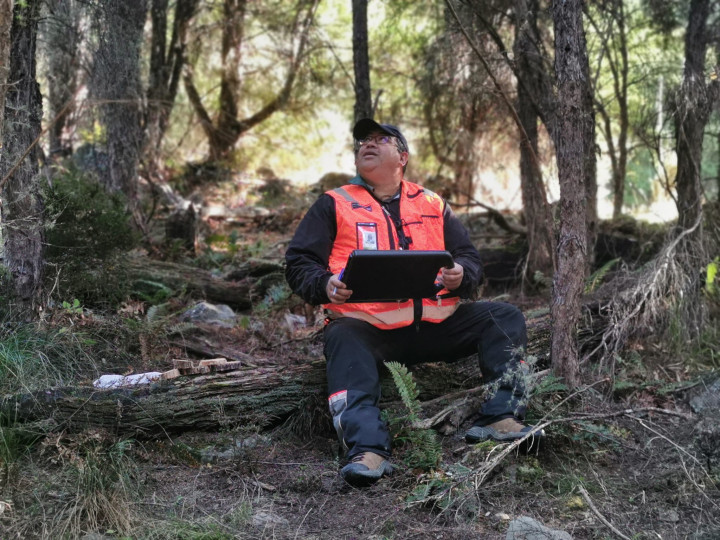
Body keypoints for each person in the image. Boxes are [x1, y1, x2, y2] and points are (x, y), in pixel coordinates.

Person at [285, 118, 544, 487]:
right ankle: (367, 450)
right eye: (362, 141)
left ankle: (500, 417)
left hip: (438, 327)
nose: (367, 145)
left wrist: (461, 274)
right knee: (341, 338)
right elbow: (298, 263)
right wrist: (323, 284)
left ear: (402, 156)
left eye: (380, 139)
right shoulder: (334, 203)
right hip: (370, 333)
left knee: (503, 316)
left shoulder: (433, 203)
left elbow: (469, 258)